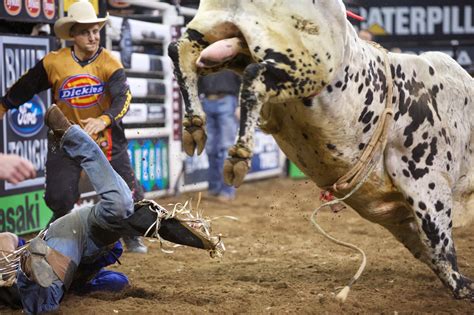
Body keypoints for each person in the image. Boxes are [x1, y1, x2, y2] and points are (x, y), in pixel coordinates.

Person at [0, 105, 223, 314]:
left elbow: (6, 237)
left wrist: (6, 258)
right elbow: (116, 282)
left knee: (44, 296)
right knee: (120, 207)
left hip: (74, 236)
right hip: (78, 245)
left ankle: (31, 271)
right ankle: (70, 134)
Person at [0, 0, 146, 253]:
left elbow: (123, 98)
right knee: (60, 196)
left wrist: (104, 119)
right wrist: (3, 106)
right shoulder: (54, 62)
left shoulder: (110, 63)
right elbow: (26, 86)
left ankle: (131, 233)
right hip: (64, 136)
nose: (92, 37)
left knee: (125, 186)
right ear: (73, 36)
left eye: (95, 31)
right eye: (85, 32)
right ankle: (54, 232)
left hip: (104, 136)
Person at [198, 70, 241, 202]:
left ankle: (227, 191)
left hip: (227, 100)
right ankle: (214, 188)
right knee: (211, 148)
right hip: (208, 101)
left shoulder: (230, 54)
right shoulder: (204, 56)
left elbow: (243, 78)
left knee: (225, 147)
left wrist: (240, 104)